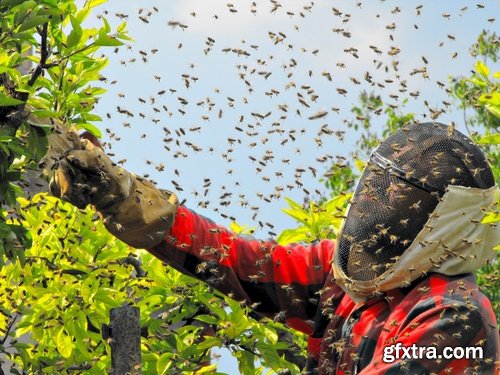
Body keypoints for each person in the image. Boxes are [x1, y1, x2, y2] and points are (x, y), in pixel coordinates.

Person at [49, 121, 499, 374]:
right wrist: (124, 198)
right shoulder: (340, 276)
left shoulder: (453, 316)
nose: (374, 206)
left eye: (397, 199)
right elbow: (236, 260)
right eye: (378, 188)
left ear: (444, 222)